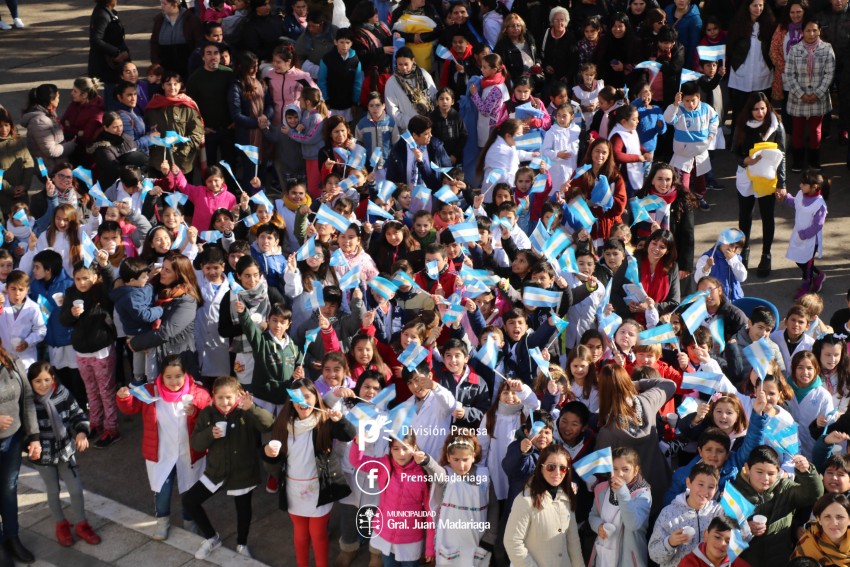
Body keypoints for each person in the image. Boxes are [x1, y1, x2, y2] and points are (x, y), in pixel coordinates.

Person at [115, 355, 210, 540]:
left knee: (190, 491)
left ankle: (190, 522)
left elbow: (210, 417)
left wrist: (196, 413)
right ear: (161, 376)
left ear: (185, 375)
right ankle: (162, 523)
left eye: (178, 376)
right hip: (161, 453)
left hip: (189, 453)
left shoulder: (197, 393)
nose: (174, 381)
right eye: (168, 377)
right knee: (162, 491)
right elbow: (130, 407)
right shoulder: (151, 391)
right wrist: (124, 397)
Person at [263, 378, 354, 567]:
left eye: (307, 396)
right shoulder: (283, 425)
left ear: (316, 398)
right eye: (297, 398)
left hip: (319, 489)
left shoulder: (324, 422)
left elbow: (349, 434)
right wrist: (267, 453)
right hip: (293, 489)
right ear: (291, 402)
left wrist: (340, 420)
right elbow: (275, 459)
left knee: (319, 533)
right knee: (300, 533)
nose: (302, 401)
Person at [182, 376, 274, 559]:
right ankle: (211, 537)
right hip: (216, 471)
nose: (225, 402)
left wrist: (252, 408)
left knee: (243, 509)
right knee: (190, 501)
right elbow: (196, 443)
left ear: (238, 395)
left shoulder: (246, 410)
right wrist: (210, 434)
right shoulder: (208, 413)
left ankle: (242, 543)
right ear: (213, 397)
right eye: (220, 398)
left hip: (243, 472)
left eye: (229, 397)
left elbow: (269, 424)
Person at [26, 362, 100, 547]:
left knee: (75, 488)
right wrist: (29, 445)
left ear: (53, 379)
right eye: (37, 381)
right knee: (53, 490)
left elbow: (78, 414)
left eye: (47, 380)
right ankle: (61, 524)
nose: (43, 385)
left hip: (65, 450)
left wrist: (82, 432)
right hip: (42, 455)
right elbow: (24, 429)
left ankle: (81, 523)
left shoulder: (63, 394)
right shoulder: (28, 403)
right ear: (30, 383)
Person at [596, 365, 676, 515]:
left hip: (631, 496)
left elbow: (599, 466)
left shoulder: (607, 431)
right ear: (627, 382)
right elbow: (670, 384)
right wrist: (638, 384)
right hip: (660, 481)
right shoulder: (647, 401)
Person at [732, 445, 823, 564]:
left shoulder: (785, 488)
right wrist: (746, 529)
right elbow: (724, 530)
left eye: (771, 474)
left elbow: (814, 494)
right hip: (744, 562)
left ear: (778, 471)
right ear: (747, 468)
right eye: (759, 472)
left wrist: (807, 471)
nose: (765, 478)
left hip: (780, 560)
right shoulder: (734, 492)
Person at [503, 443, 583, 567]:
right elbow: (512, 542)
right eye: (551, 467)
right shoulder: (525, 500)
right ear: (541, 467)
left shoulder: (566, 499)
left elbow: (573, 542)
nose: (557, 472)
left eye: (562, 468)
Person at [733, 92, 786, 276]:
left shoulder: (775, 124)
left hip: (767, 177)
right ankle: (743, 252)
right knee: (745, 216)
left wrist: (782, 184)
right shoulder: (741, 124)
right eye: (755, 109)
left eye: (763, 108)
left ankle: (766, 254)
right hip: (745, 175)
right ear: (750, 109)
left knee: (767, 216)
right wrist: (745, 160)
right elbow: (734, 152)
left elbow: (782, 155)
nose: (760, 112)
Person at [128, 252, 202, 377]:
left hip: (178, 361)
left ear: (178, 275)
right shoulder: (161, 290)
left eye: (167, 270)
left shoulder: (187, 300)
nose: (162, 272)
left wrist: (137, 343)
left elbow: (167, 332)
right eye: (163, 268)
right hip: (161, 356)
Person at [0, 344, 39, 564]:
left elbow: (26, 398)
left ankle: (12, 537)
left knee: (8, 490)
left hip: (12, 441)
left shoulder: (11, 361)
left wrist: (33, 436)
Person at [783, 20, 835, 171]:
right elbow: (789, 74)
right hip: (798, 99)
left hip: (819, 98)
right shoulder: (794, 49)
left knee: (815, 131)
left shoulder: (827, 48)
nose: (811, 34)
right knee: (797, 130)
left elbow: (829, 73)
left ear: (819, 31)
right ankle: (798, 162)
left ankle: (814, 161)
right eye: (808, 31)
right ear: (802, 32)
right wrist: (801, 94)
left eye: (814, 30)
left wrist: (817, 93)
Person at [588, 447, 652, 567]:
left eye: (625, 469)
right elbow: (593, 515)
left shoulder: (642, 494)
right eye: (615, 469)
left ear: (636, 470)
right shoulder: (601, 489)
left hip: (628, 560)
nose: (619, 474)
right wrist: (598, 526)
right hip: (603, 556)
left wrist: (622, 493)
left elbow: (633, 524)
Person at [725, 0, 776, 134]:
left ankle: (763, 138)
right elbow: (731, 47)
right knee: (740, 108)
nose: (758, 9)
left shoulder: (769, 24)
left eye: (761, 5)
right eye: (754, 5)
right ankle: (737, 141)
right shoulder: (738, 24)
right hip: (742, 72)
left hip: (762, 72)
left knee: (761, 107)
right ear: (748, 6)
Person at [776, 169, 829, 296]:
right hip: (798, 235)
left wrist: (805, 234)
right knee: (798, 258)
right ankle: (818, 275)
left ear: (814, 187)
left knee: (807, 263)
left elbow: (818, 225)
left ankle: (806, 286)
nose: (800, 186)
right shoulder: (801, 194)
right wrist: (785, 198)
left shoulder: (819, 205)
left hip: (811, 240)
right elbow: (796, 203)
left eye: (803, 184)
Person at [145, 72, 204, 174]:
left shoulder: (188, 106)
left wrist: (184, 151)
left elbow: (197, 133)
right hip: (159, 163)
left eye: (175, 84)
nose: (172, 87)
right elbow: (144, 130)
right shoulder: (153, 106)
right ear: (163, 86)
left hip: (183, 164)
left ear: (180, 85)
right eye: (168, 84)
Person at [21, 85, 76, 172]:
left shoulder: (49, 112)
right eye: (58, 97)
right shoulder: (40, 121)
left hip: (54, 165)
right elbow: (51, 151)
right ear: (51, 100)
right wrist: (72, 145)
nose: (59, 99)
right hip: (50, 169)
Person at [384, 47, 436, 132]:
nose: (404, 68)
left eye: (406, 64)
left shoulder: (423, 74)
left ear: (412, 60)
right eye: (400, 64)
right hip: (408, 129)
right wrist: (412, 123)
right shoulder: (392, 82)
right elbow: (393, 111)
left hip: (429, 127)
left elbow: (434, 97)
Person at [150, 0, 203, 77]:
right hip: (165, 67)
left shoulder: (191, 20)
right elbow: (154, 43)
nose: (162, 6)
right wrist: (156, 63)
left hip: (187, 66)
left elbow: (198, 42)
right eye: (161, 3)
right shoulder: (159, 20)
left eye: (165, 4)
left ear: (174, 5)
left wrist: (195, 62)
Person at [793, 492, 850, 562]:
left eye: (840, 517)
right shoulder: (807, 546)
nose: (834, 523)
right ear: (819, 519)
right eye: (827, 517)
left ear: (849, 520)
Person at [678, 515, 753, 567]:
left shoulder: (739, 564)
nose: (722, 543)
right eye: (717, 537)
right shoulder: (688, 563)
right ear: (706, 535)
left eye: (728, 541)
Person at [87, 0, 130, 85]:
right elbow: (96, 40)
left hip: (111, 65)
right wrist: (116, 53)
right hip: (107, 66)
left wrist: (125, 51)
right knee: (112, 93)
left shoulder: (107, 12)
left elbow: (117, 38)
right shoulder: (102, 15)